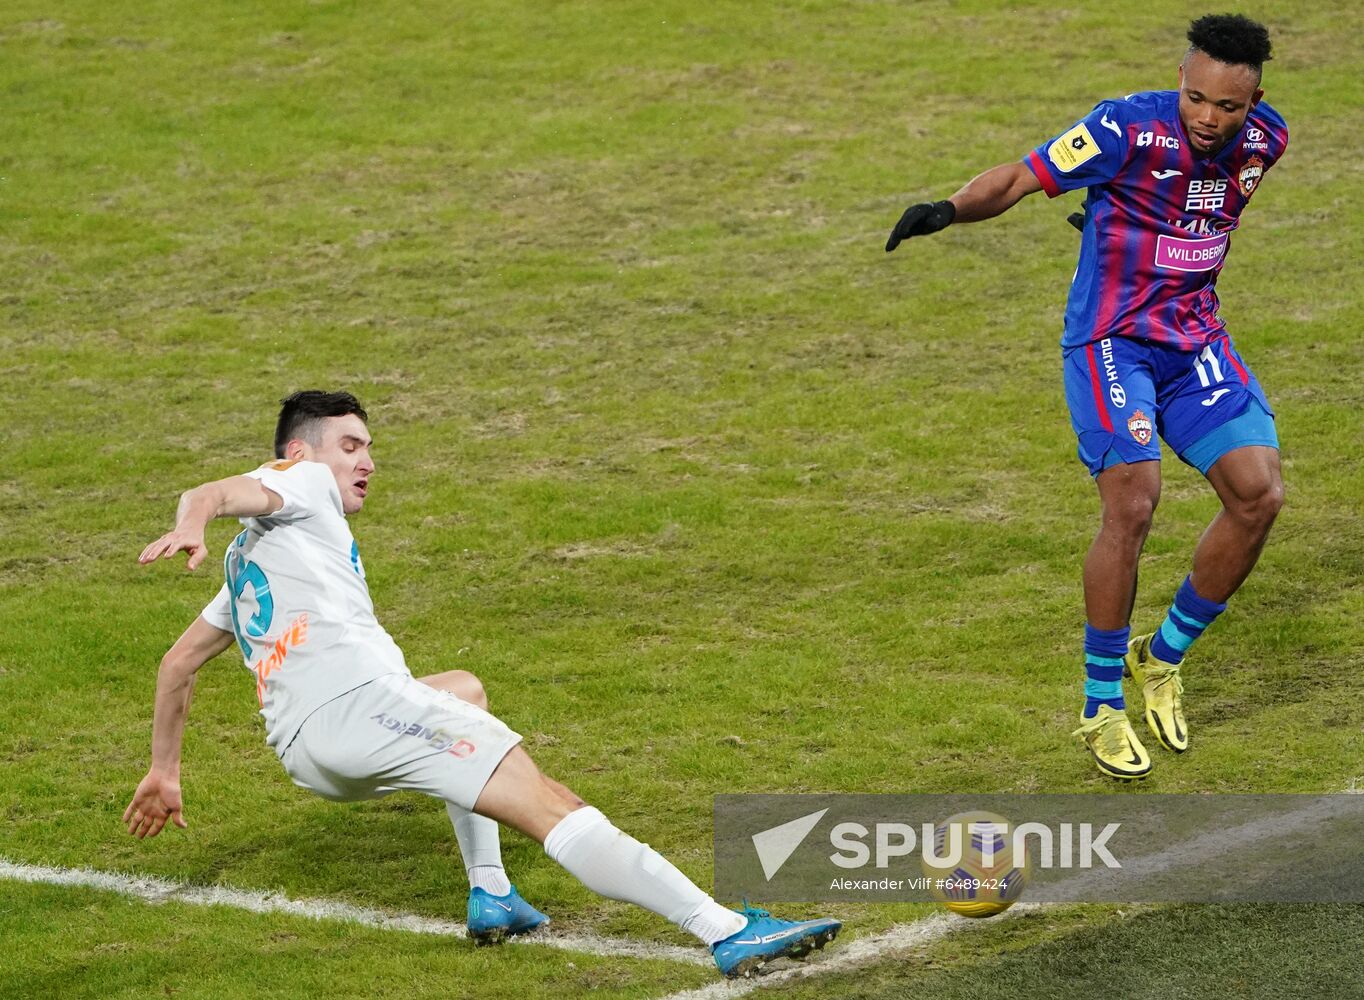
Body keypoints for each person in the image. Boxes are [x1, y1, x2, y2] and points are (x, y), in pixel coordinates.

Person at [124, 389, 839, 977]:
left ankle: (491, 892)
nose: (367, 462)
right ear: (299, 453)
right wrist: (193, 521)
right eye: (351, 446)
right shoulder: (299, 482)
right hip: (363, 710)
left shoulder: (252, 563)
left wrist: (164, 769)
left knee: (461, 688)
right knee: (551, 802)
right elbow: (209, 491)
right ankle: (726, 929)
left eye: (369, 448)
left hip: (310, 754)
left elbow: (178, 664)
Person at [883, 14, 1287, 780]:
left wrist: (1130, 222)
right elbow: (1019, 177)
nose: (1208, 118)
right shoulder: (1122, 128)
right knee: (1133, 501)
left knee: (1259, 494)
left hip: (1195, 339)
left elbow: (1199, 216)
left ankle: (1159, 658)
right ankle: (1100, 703)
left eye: (1227, 108)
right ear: (1180, 80)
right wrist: (947, 211)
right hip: (1112, 342)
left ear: (1254, 102)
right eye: (1196, 98)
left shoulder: (1268, 141)